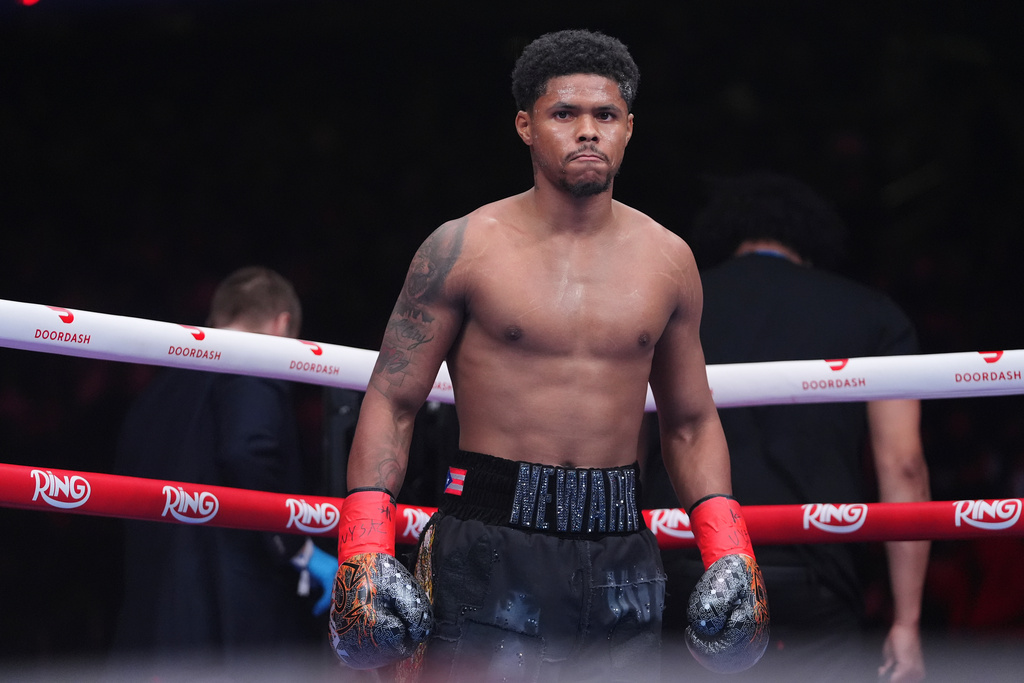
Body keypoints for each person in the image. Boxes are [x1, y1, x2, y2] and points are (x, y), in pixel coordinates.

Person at [327, 30, 769, 683]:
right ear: (526, 125)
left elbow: (689, 420)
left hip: (622, 542)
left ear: (628, 129)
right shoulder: (462, 248)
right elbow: (393, 397)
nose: (587, 131)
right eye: (565, 114)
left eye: (605, 116)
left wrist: (729, 546)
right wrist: (363, 542)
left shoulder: (668, 260)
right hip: (491, 532)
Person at [645, 171, 930, 682]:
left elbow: (626, 445)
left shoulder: (674, 304)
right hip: (814, 572)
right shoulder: (869, 314)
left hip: (687, 562)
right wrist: (907, 621)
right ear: (813, 242)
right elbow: (902, 464)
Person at [112, 266, 337, 670]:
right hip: (227, 618)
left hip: (153, 622)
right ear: (282, 324)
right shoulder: (252, 365)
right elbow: (246, 453)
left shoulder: (157, 393)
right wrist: (298, 550)